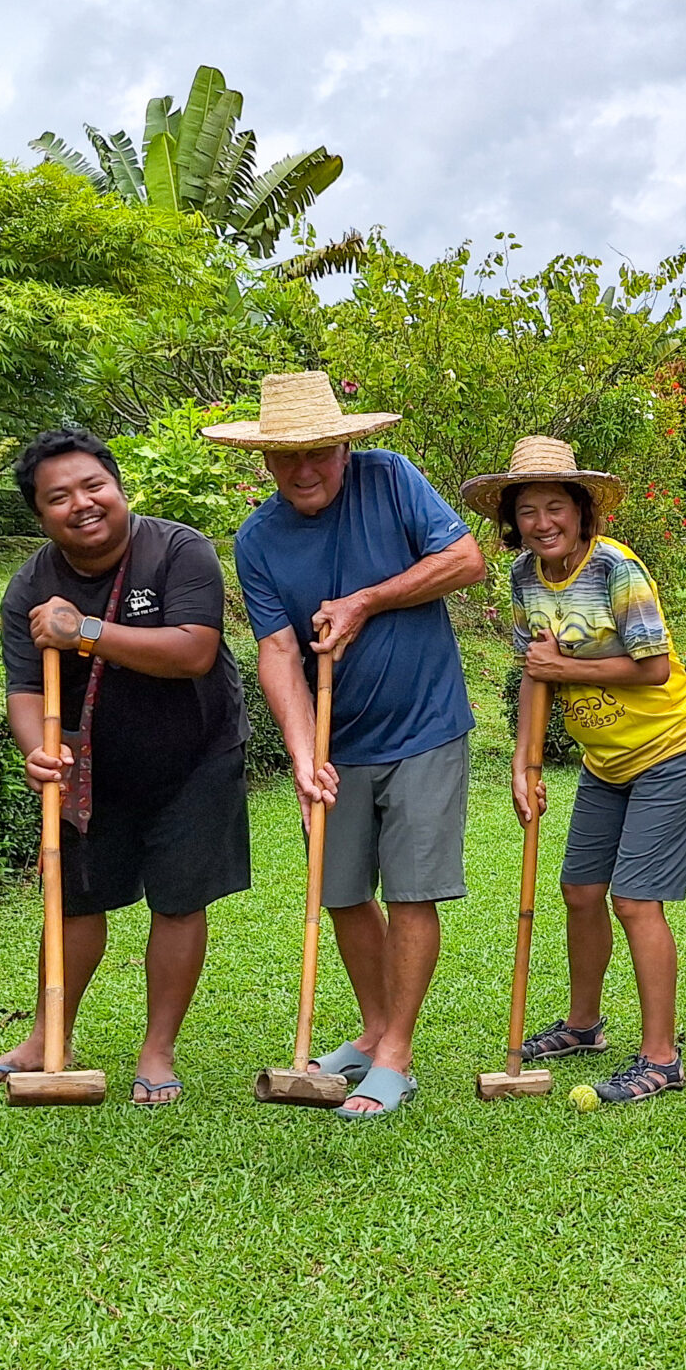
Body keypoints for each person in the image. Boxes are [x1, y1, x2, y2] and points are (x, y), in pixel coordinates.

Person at [213, 372, 488, 1116]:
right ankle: (371, 1030)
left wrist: (368, 600)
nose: (305, 471)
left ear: (344, 445)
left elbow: (467, 561)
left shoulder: (391, 479)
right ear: (265, 460)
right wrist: (304, 756)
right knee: (339, 893)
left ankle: (396, 1054)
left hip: (425, 725)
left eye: (321, 453)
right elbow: (276, 652)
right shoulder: (259, 538)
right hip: (339, 740)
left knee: (410, 890)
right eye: (286, 458)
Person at [0, 428, 253, 1105]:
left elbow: (193, 652)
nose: (82, 504)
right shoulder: (31, 585)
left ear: (120, 489)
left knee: (179, 900)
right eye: (58, 497)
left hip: (196, 755)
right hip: (93, 767)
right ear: (40, 516)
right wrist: (37, 747)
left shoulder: (178, 550)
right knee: (74, 900)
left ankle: (157, 1050)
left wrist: (85, 633)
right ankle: (46, 1039)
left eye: (94, 486)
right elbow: (25, 689)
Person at [464, 436, 686, 1105]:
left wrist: (564, 668)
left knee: (635, 899)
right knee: (580, 890)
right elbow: (533, 674)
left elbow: (654, 666)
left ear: (581, 511)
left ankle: (662, 1058)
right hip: (605, 762)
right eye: (527, 511)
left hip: (670, 746)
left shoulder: (615, 570)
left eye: (555, 507)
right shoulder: (524, 577)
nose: (542, 522)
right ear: (511, 521)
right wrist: (524, 764)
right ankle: (583, 1026)